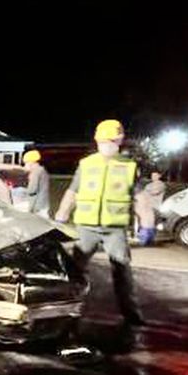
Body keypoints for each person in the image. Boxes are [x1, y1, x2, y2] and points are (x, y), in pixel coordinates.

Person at [55, 119, 145, 327]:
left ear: (119, 142)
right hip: (86, 227)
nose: (107, 145)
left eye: (111, 141)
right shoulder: (86, 164)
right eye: (104, 141)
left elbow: (140, 197)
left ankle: (131, 314)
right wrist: (60, 216)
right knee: (75, 271)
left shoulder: (129, 167)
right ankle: (69, 310)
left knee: (122, 270)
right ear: (97, 141)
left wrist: (147, 222)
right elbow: (72, 192)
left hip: (115, 229)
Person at [22, 149, 51, 218]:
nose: (25, 166)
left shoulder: (35, 172)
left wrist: (22, 191)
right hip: (43, 204)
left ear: (31, 163)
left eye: (26, 163)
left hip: (37, 207)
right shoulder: (42, 170)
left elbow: (32, 190)